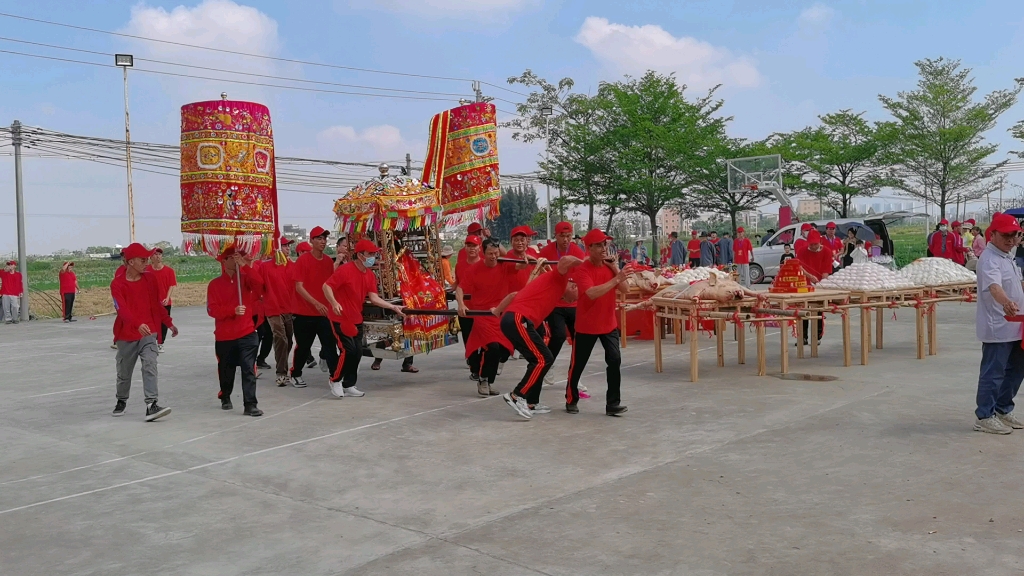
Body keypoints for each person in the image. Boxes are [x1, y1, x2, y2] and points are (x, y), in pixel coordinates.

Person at [499, 255, 584, 419]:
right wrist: (586, 263)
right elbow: (566, 259)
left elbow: (516, 295)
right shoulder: (560, 278)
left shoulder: (554, 287)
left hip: (518, 320)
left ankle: (531, 402)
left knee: (542, 359)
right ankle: (517, 396)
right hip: (518, 319)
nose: (573, 301)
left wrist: (497, 311)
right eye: (577, 296)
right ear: (573, 286)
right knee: (543, 359)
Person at [323, 239, 406, 398]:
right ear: (360, 255)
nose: (373, 256)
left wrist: (392, 307)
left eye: (374, 254)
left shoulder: (369, 275)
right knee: (348, 350)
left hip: (356, 318)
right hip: (340, 318)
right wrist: (334, 303)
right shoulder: (345, 270)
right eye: (370, 254)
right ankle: (335, 380)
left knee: (358, 352)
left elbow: (374, 298)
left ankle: (349, 384)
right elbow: (326, 286)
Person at [565, 229, 631, 416]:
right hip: (587, 325)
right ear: (589, 248)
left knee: (615, 360)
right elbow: (591, 293)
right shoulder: (583, 270)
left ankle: (613, 404)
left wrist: (616, 270)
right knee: (578, 364)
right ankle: (571, 398)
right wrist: (616, 279)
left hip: (608, 323)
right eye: (599, 245)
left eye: (605, 244)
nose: (604, 248)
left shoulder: (610, 268)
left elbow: (625, 289)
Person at [110, 243, 177, 421]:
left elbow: (157, 304)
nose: (146, 262)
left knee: (150, 365)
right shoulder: (117, 284)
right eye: (143, 259)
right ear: (130, 262)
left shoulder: (150, 279)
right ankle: (121, 400)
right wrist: (137, 323)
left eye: (147, 258)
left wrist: (169, 323)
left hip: (149, 332)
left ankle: (151, 405)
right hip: (126, 335)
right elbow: (122, 310)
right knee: (124, 374)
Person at [972, 213, 1024, 434]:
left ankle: (1003, 408)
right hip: (999, 326)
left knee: (1016, 370)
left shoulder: (1007, 256)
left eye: (1015, 235)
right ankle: (984, 415)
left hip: (1017, 326)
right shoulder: (989, 259)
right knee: (994, 372)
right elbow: (994, 287)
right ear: (992, 234)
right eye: (1006, 235)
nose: (1011, 240)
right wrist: (1006, 303)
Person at [207, 247, 264, 416]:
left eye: (237, 257)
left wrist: (245, 266)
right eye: (231, 257)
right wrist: (232, 310)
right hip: (225, 336)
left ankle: (250, 404)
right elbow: (212, 310)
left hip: (247, 332)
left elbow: (260, 284)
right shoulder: (215, 284)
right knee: (226, 369)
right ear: (224, 261)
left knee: (248, 369)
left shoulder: (245, 279)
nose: (235, 260)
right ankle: (225, 395)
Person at [457, 238, 516, 397]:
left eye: (496, 253)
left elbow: (523, 264)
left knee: (504, 350)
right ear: (483, 253)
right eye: (490, 253)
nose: (494, 256)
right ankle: (483, 379)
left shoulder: (505, 265)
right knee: (492, 347)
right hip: (482, 315)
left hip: (500, 313)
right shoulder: (474, 269)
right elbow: (460, 288)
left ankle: (489, 380)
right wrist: (461, 304)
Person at [538, 221, 587, 386]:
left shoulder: (577, 252)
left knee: (579, 339)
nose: (566, 240)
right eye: (562, 236)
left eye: (568, 236)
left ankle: (575, 375)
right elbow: (540, 275)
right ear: (555, 236)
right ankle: (548, 365)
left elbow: (584, 275)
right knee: (558, 336)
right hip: (555, 303)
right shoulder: (546, 252)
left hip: (574, 303)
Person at [289, 227, 339, 389]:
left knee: (330, 345)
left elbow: (329, 285)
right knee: (303, 347)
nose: (323, 241)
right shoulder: (303, 260)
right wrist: (316, 303)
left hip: (324, 313)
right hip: (304, 313)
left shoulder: (327, 262)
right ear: (311, 241)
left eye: (324, 238)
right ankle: (295, 373)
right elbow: (299, 287)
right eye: (318, 238)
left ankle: (336, 376)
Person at [261, 238, 296, 387]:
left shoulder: (292, 266)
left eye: (289, 245)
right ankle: (281, 372)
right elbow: (257, 285)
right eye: (284, 245)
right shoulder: (265, 267)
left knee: (288, 340)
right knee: (280, 337)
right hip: (273, 309)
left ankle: (282, 366)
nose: (288, 248)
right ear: (275, 248)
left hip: (289, 308)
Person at [795, 230, 833, 345]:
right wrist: (809, 276)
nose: (813, 246)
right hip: (804, 283)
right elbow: (798, 266)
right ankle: (803, 337)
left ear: (820, 242)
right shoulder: (802, 251)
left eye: (815, 244)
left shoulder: (827, 251)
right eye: (811, 244)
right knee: (803, 310)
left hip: (819, 284)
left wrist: (822, 284)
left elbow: (826, 270)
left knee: (818, 310)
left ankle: (817, 336)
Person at [455, 235, 484, 380]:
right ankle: (474, 369)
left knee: (485, 341)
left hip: (482, 310)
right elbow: (457, 285)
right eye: (469, 245)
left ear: (480, 248)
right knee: (469, 341)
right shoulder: (460, 264)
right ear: (465, 247)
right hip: (465, 310)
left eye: (474, 246)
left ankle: (484, 367)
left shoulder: (485, 264)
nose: (472, 248)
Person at [145, 248, 177, 352]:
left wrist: (167, 298)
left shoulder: (169, 271)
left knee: (164, 324)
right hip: (151, 302)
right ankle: (151, 342)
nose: (158, 256)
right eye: (155, 254)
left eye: (159, 254)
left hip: (164, 302)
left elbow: (171, 285)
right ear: (151, 257)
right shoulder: (147, 270)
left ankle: (160, 343)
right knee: (151, 323)